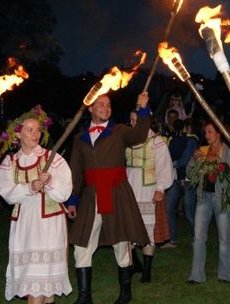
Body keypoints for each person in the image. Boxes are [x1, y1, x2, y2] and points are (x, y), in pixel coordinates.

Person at [66, 93, 151, 304]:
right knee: (81, 244)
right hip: (91, 196)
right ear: (90, 109)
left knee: (121, 243)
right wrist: (73, 200)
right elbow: (75, 171)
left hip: (116, 192)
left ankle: (125, 293)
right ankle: (85, 297)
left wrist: (142, 109)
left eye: (109, 105)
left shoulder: (119, 131)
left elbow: (140, 134)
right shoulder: (79, 138)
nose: (106, 108)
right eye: (101, 104)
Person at [0, 105, 72, 304]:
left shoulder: (52, 158)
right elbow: (6, 193)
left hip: (50, 225)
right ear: (17, 134)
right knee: (37, 284)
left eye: (38, 129)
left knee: (45, 286)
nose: (35, 133)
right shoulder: (10, 162)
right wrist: (30, 187)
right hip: (25, 226)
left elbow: (65, 192)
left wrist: (49, 183)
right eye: (29, 130)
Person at [186, 121, 230, 284]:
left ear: (219, 133)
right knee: (198, 237)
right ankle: (196, 275)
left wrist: (218, 163)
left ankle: (225, 275)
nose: (206, 135)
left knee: (224, 238)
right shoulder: (202, 150)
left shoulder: (228, 151)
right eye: (205, 132)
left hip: (222, 198)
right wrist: (195, 160)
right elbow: (189, 172)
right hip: (204, 198)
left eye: (210, 132)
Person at [125, 110, 173, 283]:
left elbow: (164, 167)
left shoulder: (156, 142)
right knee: (128, 230)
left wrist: (161, 188)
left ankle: (146, 271)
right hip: (129, 189)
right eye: (131, 120)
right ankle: (133, 264)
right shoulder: (128, 140)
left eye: (135, 120)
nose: (132, 123)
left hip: (148, 191)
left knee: (148, 232)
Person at [165, 118, 198, 244]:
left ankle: (197, 237)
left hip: (188, 179)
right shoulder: (174, 139)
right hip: (175, 178)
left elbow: (184, 160)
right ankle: (172, 238)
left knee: (189, 211)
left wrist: (172, 163)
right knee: (169, 208)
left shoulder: (192, 140)